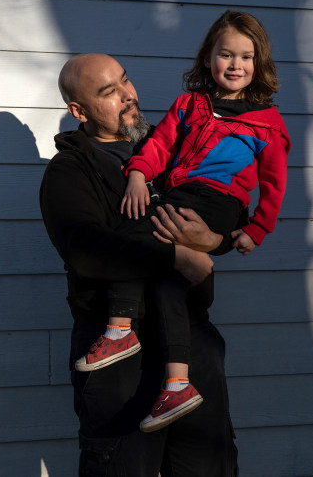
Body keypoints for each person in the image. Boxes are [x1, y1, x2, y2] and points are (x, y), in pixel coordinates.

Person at [74, 10, 291, 432]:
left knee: (135, 236)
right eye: (225, 54)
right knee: (166, 281)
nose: (235, 65)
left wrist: (255, 229)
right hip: (179, 193)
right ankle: (178, 382)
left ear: (258, 64)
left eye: (246, 57)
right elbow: (160, 143)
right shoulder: (191, 105)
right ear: (208, 58)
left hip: (220, 201)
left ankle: (119, 327)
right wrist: (138, 174)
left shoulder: (267, 123)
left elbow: (274, 183)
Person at [40, 51, 238, 475]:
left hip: (190, 343)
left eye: (125, 82)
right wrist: (177, 255)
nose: (128, 96)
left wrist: (214, 241)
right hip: (119, 361)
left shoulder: (170, 150)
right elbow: (86, 248)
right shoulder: (71, 170)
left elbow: (223, 202)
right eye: (109, 92)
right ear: (78, 110)